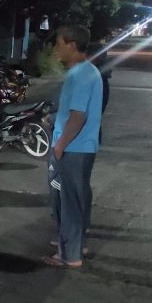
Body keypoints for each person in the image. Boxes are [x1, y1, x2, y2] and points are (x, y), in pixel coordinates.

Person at [43, 25, 103, 268]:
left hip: (74, 149)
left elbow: (78, 117)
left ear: (71, 45)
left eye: (59, 44)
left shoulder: (81, 75)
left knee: (68, 202)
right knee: (73, 199)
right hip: (79, 147)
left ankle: (70, 256)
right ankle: (76, 245)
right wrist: (55, 119)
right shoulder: (85, 71)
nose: (55, 49)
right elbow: (74, 112)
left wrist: (59, 146)